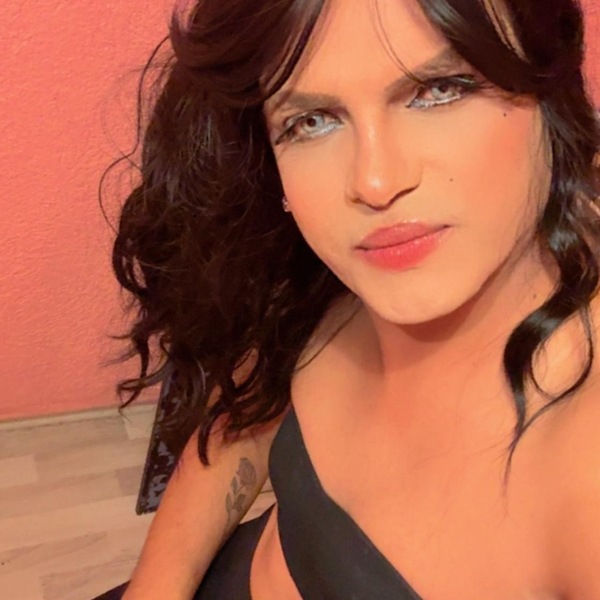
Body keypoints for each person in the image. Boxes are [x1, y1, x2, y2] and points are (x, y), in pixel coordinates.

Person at [96, 0, 600, 597]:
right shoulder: (335, 279)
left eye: (439, 90)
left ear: (550, 89)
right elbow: (246, 417)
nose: (374, 183)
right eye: (311, 121)